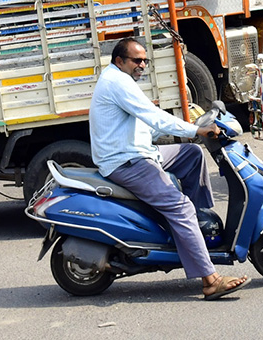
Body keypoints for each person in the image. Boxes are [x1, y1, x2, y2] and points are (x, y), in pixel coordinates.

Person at [88, 38, 247, 300]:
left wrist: (191, 127)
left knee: (192, 154)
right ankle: (210, 280)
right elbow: (153, 116)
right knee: (179, 206)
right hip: (127, 161)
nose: (142, 65)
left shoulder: (120, 79)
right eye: (136, 60)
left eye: (144, 61)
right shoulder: (117, 82)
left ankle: (197, 224)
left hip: (139, 152)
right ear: (119, 61)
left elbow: (146, 124)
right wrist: (195, 129)